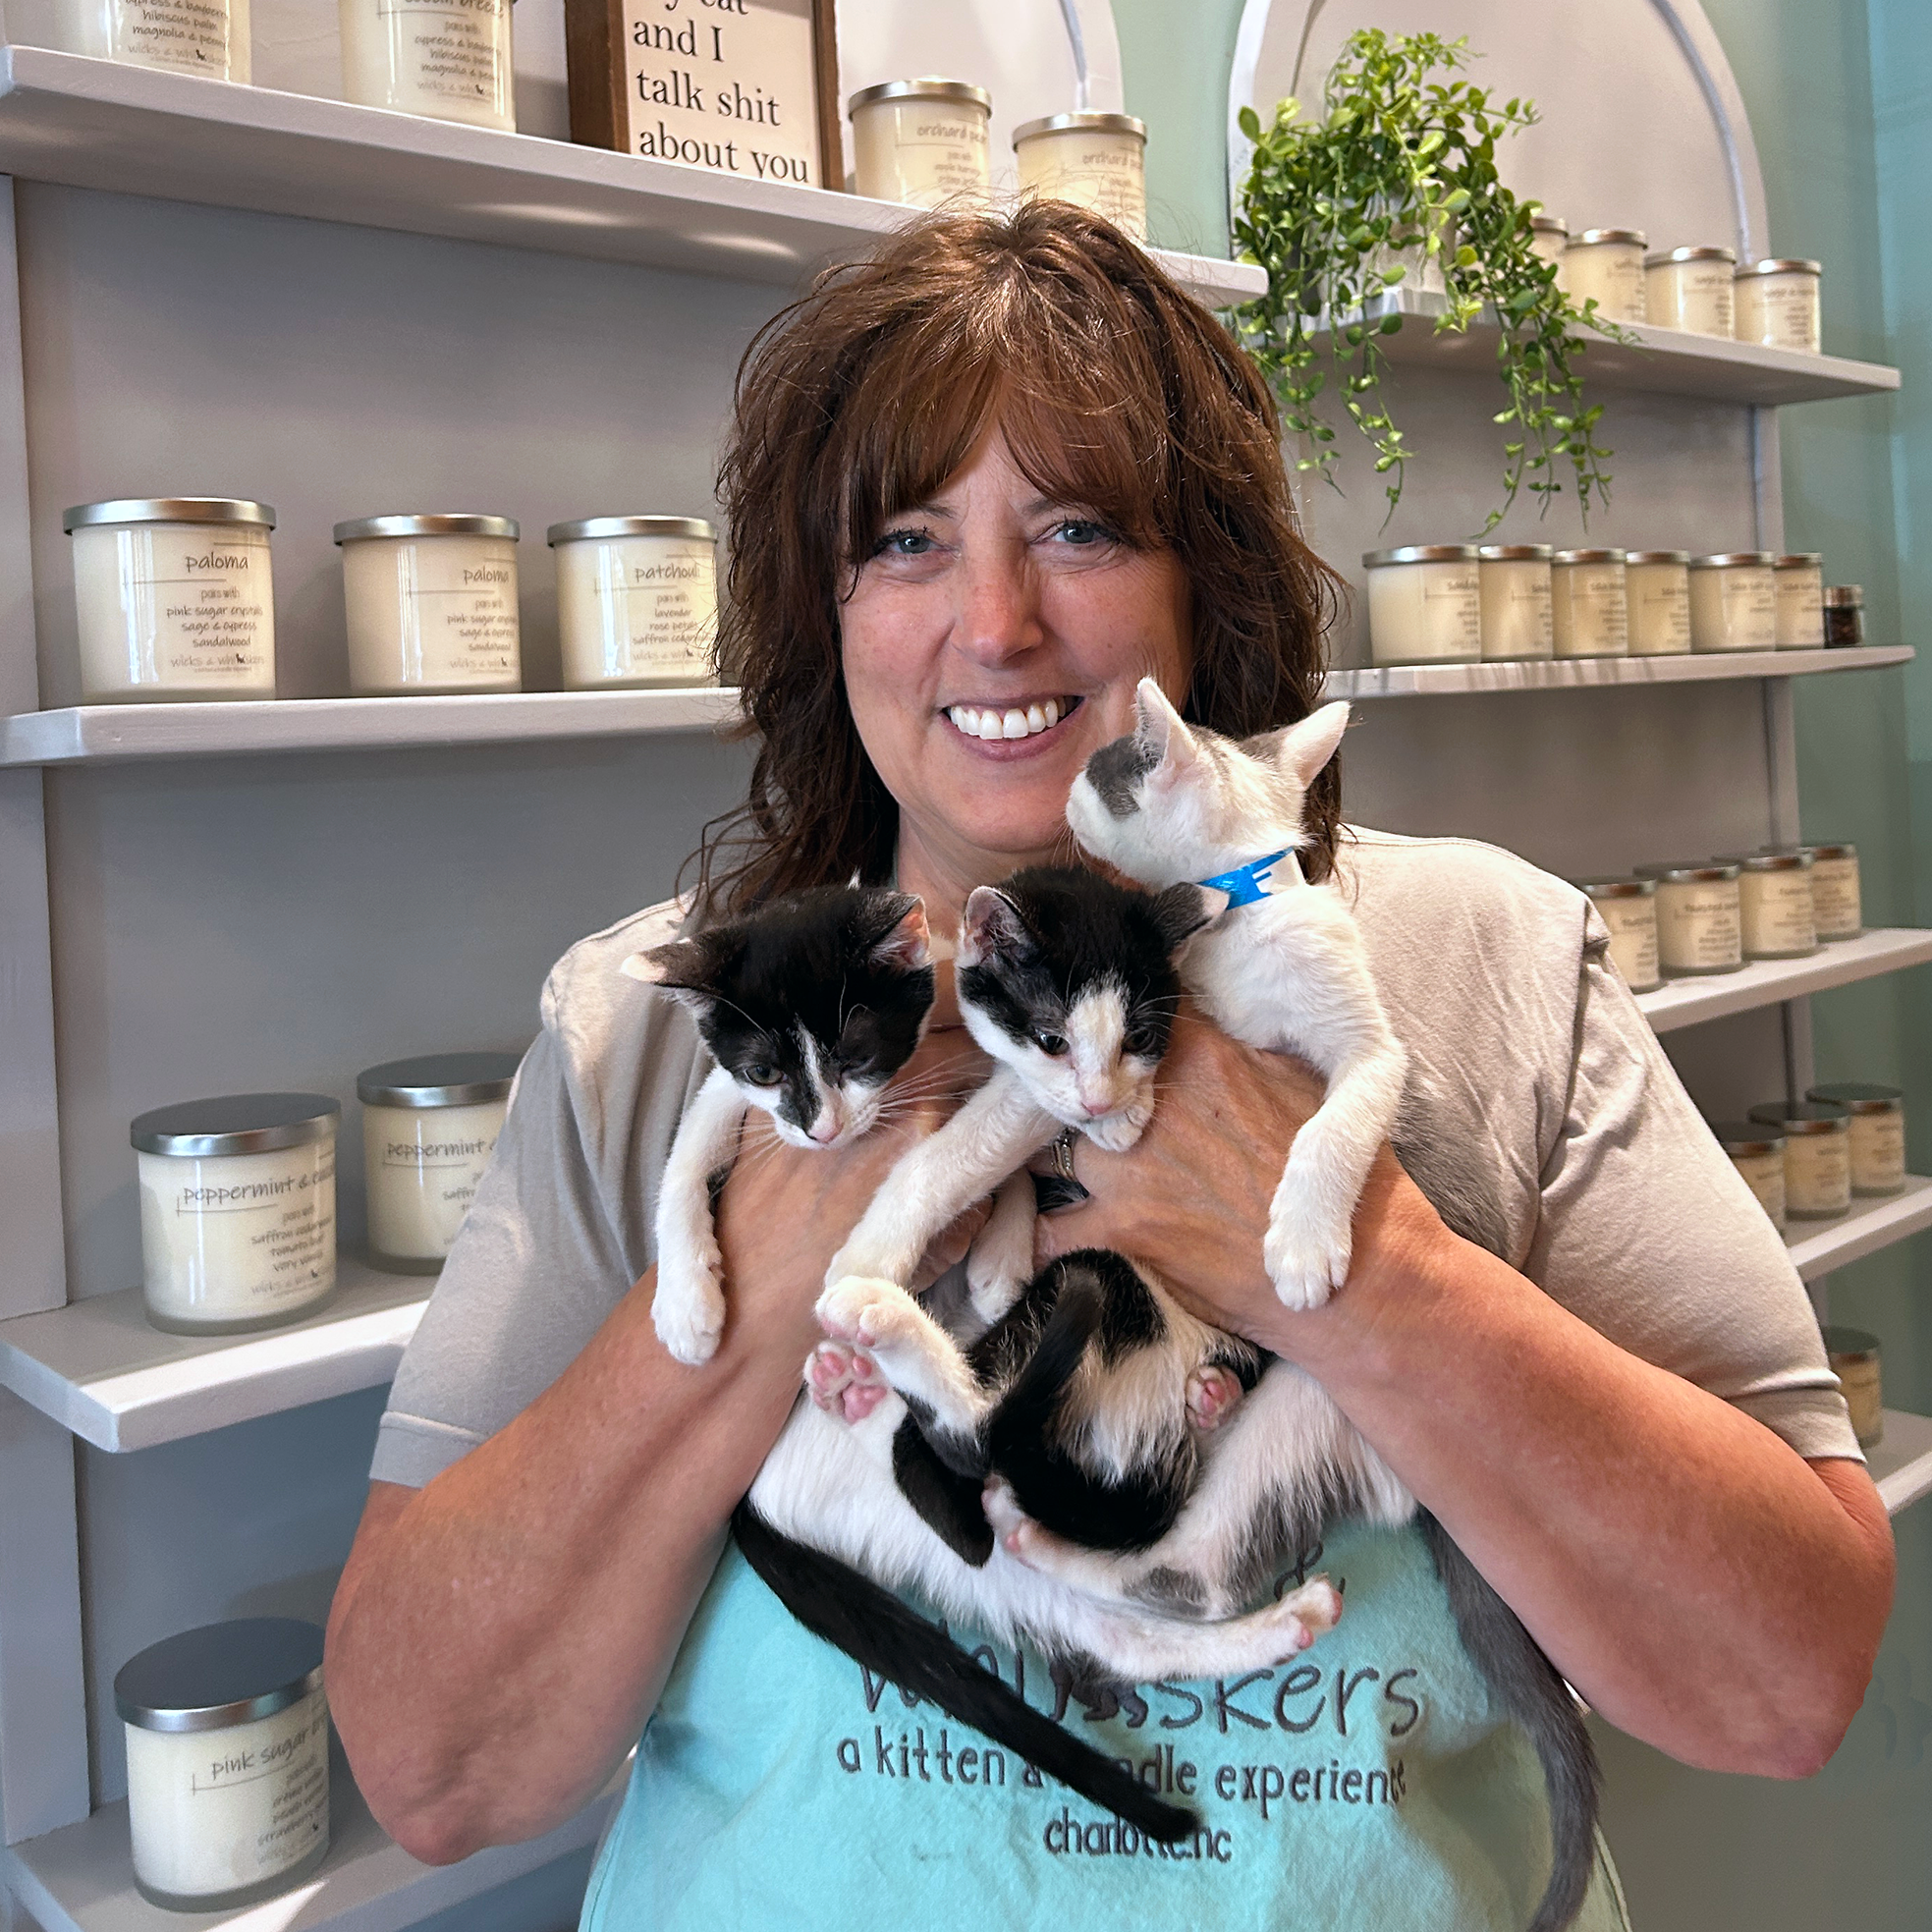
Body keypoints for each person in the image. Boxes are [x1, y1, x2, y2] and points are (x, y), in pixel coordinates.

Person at [324, 203, 1894, 1930]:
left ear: (1201, 586)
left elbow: (1784, 1680)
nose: (995, 624)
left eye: (1075, 528)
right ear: (819, 613)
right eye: (906, 542)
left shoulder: (1479, 958)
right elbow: (437, 1772)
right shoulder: (655, 1031)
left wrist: (1354, 1258)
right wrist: (780, 1251)